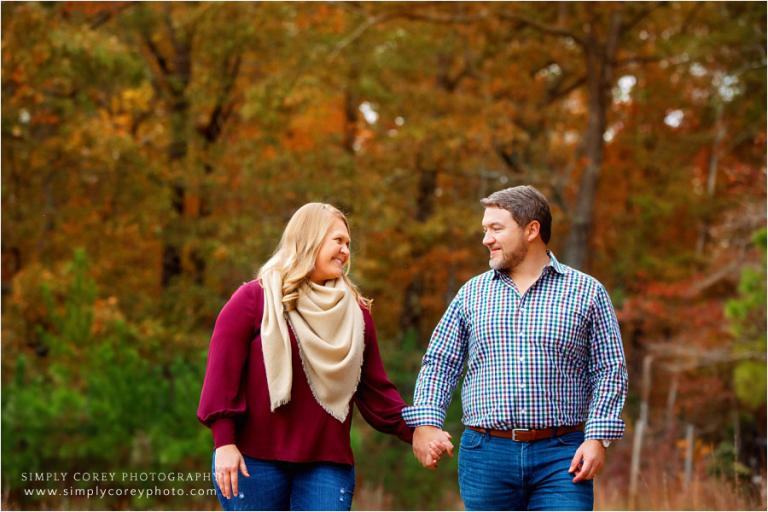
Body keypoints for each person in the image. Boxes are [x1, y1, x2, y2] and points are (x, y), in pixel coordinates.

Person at [197, 203, 449, 511]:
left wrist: (418, 431)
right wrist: (224, 443)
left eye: (348, 244)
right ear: (309, 239)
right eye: (337, 241)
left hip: (326, 464)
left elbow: (376, 393)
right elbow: (221, 379)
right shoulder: (254, 299)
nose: (345, 250)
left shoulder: (357, 314)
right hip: (253, 460)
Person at [403, 185, 628, 511]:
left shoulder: (587, 292)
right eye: (485, 229)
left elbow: (609, 368)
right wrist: (426, 423)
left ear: (531, 230)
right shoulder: (472, 294)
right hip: (486, 455)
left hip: (562, 455)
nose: (486, 239)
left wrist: (597, 438)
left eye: (496, 228)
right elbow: (440, 361)